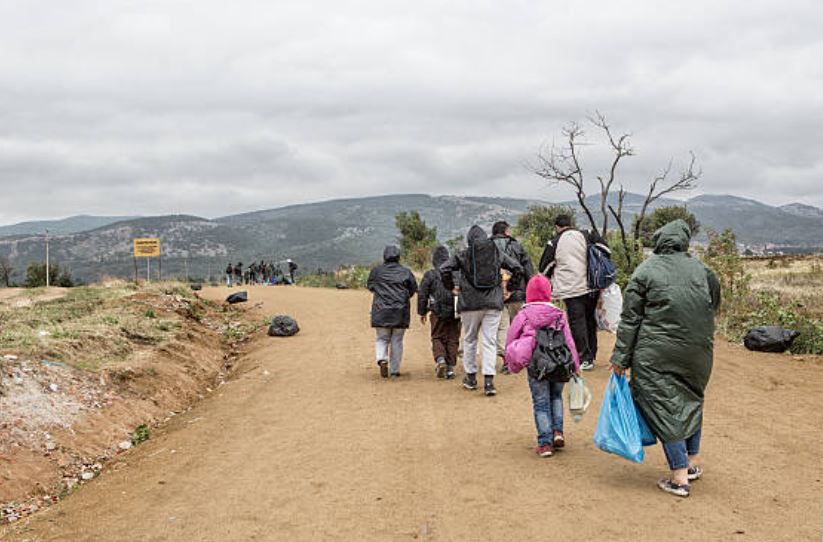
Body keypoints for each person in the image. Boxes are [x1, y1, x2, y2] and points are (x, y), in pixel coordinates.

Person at [610, 220, 721, 498]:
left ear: (660, 241)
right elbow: (713, 307)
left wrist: (620, 358)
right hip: (699, 351)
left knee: (664, 405)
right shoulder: (703, 271)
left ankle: (679, 477)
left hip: (655, 353)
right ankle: (692, 464)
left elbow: (630, 319)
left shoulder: (646, 271)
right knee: (692, 399)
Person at [441, 225, 522, 396]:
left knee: (470, 339)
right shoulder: (495, 253)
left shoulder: (463, 254)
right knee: (489, 341)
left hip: (469, 303)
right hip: (493, 303)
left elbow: (444, 269)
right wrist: (510, 289)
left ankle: (471, 378)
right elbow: (517, 268)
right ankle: (489, 382)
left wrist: (452, 287)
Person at [505, 274, 579, 457]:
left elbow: (511, 337)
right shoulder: (559, 314)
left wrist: (511, 361)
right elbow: (569, 341)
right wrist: (575, 365)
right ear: (548, 293)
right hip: (558, 363)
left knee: (540, 403)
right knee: (556, 397)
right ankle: (557, 432)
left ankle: (545, 443)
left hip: (537, 365)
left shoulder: (524, 315)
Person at [538, 215, 607, 371]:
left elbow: (544, 268)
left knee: (577, 322)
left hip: (571, 288)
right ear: (571, 224)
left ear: (557, 227)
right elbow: (606, 250)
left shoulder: (555, 242)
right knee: (590, 319)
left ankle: (584, 357)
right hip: (592, 285)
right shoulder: (587, 234)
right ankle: (591, 354)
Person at [367, 246, 418, 378]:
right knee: (397, 340)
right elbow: (413, 289)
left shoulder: (376, 271)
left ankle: (382, 359)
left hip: (381, 310)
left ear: (384, 256)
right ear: (398, 257)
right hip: (400, 311)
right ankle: (394, 370)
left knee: (382, 338)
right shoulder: (406, 272)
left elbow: (371, 286)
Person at [490, 220, 534, 374]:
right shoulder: (517, 246)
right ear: (507, 231)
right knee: (518, 327)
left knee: (500, 329)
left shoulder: (488, 248)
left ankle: (505, 361)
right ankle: (519, 358)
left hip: (494, 295)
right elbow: (527, 270)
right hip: (517, 294)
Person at [417, 246, 460, 380]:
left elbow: (422, 294)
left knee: (437, 336)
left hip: (437, 311)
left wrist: (422, 311)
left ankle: (440, 360)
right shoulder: (456, 273)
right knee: (453, 338)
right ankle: (450, 369)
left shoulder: (430, 274)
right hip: (455, 311)